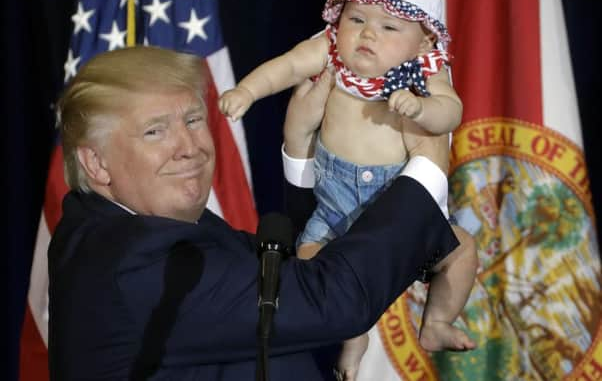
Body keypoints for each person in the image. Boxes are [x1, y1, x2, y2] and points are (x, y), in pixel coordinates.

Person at [48, 45, 460, 381]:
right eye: (155, 131)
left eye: (193, 120)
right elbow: (332, 299)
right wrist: (426, 162)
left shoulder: (160, 230)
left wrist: (299, 145)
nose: (189, 146)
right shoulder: (130, 260)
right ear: (97, 164)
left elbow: (295, 272)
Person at [218, 0, 477, 378]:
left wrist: (423, 108)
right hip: (335, 206)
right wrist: (248, 91)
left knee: (463, 252)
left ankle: (437, 322)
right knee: (310, 262)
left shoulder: (425, 71)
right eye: (356, 19)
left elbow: (451, 113)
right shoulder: (329, 52)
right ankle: (352, 346)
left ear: (424, 41)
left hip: (400, 206)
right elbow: (286, 66)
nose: (368, 34)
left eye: (390, 27)